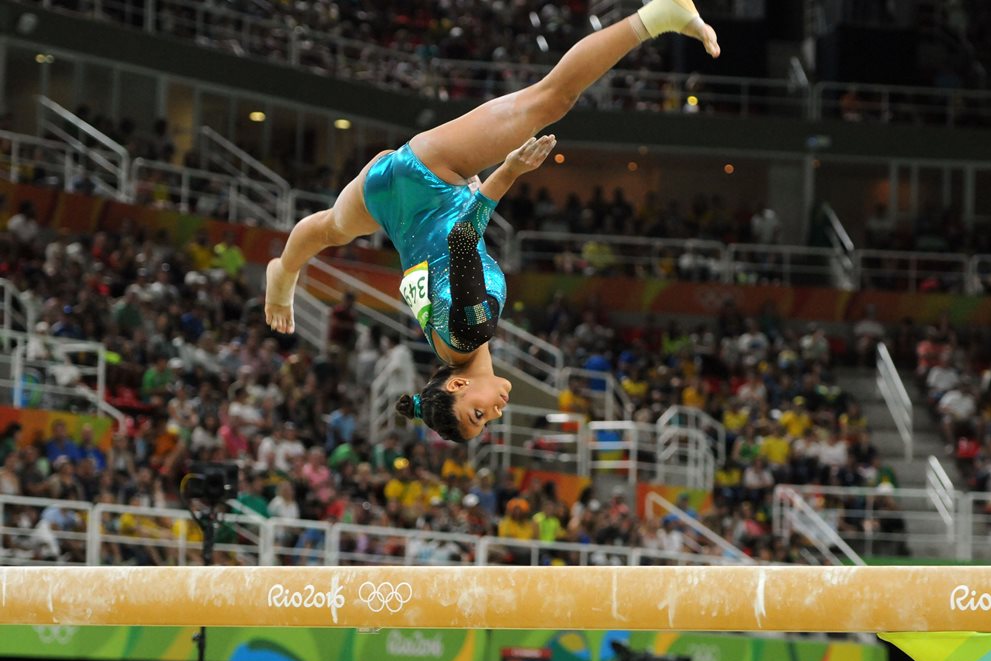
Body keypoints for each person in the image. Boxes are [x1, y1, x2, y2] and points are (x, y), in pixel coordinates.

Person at [264, 0, 720, 442]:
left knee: (550, 100)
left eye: (477, 414)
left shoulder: (471, 331)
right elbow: (444, 251)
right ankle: (282, 274)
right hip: (389, 203)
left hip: (431, 178)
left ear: (458, 386)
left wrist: (507, 173)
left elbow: (463, 239)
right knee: (328, 229)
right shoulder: (448, 347)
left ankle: (657, 16)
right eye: (485, 423)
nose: (494, 414)